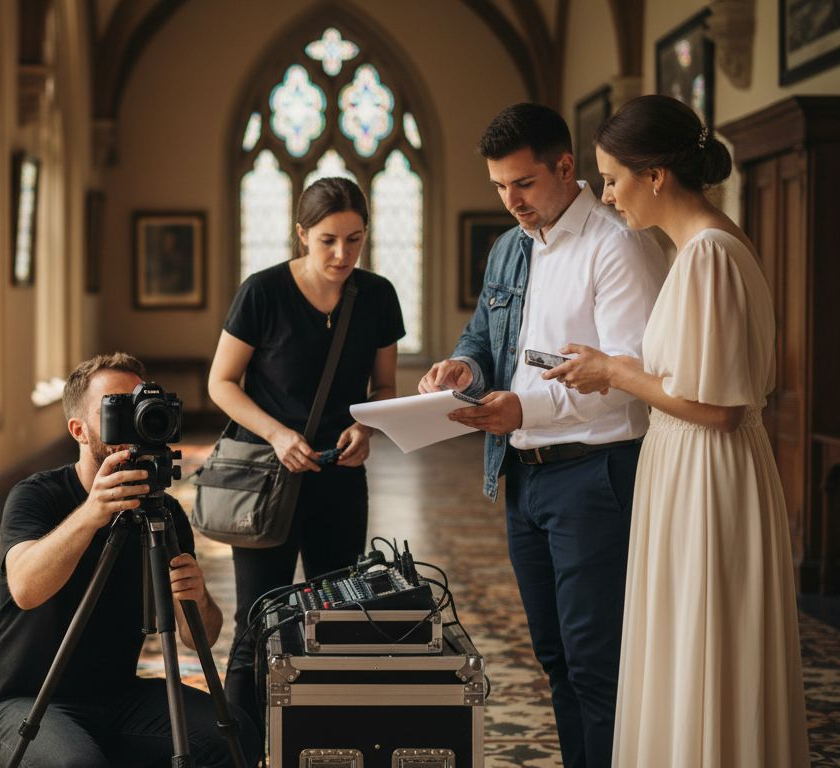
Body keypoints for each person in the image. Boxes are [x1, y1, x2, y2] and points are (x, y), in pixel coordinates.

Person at [546, 94, 809, 768]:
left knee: (705, 638)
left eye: (611, 178)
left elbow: (719, 407)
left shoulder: (708, 255)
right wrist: (625, 368)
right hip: (690, 461)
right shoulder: (704, 246)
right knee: (688, 639)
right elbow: (699, 375)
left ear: (655, 175)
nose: (606, 197)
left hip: (707, 468)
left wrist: (614, 371)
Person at [418, 103, 666, 768]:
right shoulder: (511, 245)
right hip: (525, 477)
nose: (511, 202)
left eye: (523, 184)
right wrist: (463, 366)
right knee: (553, 656)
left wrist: (522, 410)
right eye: (499, 187)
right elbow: (485, 333)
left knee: (597, 663)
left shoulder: (619, 245)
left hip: (597, 475)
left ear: (565, 167)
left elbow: (628, 377)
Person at [0, 353, 259, 768]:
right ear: (79, 430)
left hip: (118, 698)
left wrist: (195, 596)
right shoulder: (37, 495)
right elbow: (26, 589)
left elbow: (201, 637)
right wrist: (93, 512)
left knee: (236, 735)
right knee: (78, 765)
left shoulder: (165, 511)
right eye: (116, 409)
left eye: (140, 403)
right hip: (22, 700)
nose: (133, 419)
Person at [207, 176, 404, 741]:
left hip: (341, 478)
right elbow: (221, 382)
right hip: (269, 481)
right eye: (327, 241)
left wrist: (366, 427)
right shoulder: (262, 292)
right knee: (256, 620)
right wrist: (275, 435)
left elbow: (385, 387)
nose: (342, 254)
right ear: (301, 235)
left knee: (337, 617)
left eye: (355, 239)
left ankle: (323, 742)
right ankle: (240, 747)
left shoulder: (379, 295)